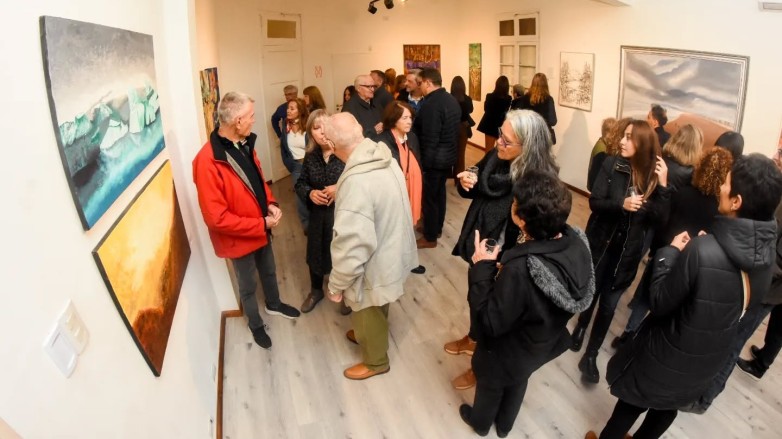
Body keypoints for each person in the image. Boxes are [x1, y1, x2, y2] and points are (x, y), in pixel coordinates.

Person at [585, 153, 782, 439]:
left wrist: (671, 253)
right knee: (666, 410)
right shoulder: (766, 260)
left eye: (726, 184)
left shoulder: (703, 250)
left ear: (736, 202)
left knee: (630, 405)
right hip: (705, 361)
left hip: (667, 352)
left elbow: (659, 302)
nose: (721, 187)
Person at [460, 170, 594, 437]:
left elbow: (489, 323)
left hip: (506, 350)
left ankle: (481, 424)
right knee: (519, 380)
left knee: (490, 384)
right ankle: (505, 427)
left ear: (521, 218)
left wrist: (482, 267)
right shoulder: (577, 242)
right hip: (539, 346)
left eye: (514, 202)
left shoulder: (522, 269)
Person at [446, 109, 560, 391]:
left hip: (509, 256)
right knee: (477, 296)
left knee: (496, 314)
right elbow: (477, 177)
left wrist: (507, 259)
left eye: (507, 141)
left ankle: (480, 367)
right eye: (500, 134)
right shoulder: (497, 156)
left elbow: (538, 231)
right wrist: (468, 180)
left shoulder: (539, 181)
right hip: (485, 242)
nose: (498, 142)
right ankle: (473, 339)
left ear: (528, 147)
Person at [192, 92, 300, 350]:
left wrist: (271, 204)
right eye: (251, 116)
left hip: (261, 228)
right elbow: (216, 219)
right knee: (248, 285)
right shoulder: (206, 161)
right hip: (240, 238)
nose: (254, 120)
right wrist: (261, 224)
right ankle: (255, 324)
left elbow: (258, 182)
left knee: (269, 270)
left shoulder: (245, 143)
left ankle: (274, 304)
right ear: (237, 121)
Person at [571, 120, 672, 384]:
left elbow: (661, 221)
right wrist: (621, 204)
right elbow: (595, 202)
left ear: (643, 143)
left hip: (627, 255)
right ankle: (581, 326)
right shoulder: (611, 163)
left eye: (629, 137)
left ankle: (591, 355)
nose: (622, 141)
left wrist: (663, 186)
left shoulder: (653, 178)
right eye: (623, 136)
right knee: (592, 292)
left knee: (609, 306)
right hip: (602, 244)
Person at [325, 113, 418, 380]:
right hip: (392, 248)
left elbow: (352, 246)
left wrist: (336, 285)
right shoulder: (383, 157)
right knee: (379, 302)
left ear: (331, 145)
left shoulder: (357, 182)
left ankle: (376, 361)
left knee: (367, 306)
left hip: (374, 261)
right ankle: (365, 333)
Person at [613, 126, 713, 349]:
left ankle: (629, 309)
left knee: (641, 270)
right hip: (674, 238)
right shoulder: (690, 177)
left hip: (651, 225)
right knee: (659, 286)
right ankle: (637, 332)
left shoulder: (660, 162)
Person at [295, 110, 346, 314]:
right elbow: (300, 183)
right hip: (318, 215)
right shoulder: (311, 156)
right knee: (315, 252)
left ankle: (346, 292)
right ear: (311, 133)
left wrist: (339, 188)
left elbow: (360, 181)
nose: (322, 132)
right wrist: (310, 193)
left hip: (342, 215)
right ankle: (316, 291)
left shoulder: (345, 153)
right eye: (316, 128)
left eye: (325, 127)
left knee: (343, 254)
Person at [374, 101, 425, 275]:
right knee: (393, 229)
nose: (409, 121)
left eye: (410, 117)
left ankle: (409, 260)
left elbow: (417, 161)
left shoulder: (412, 138)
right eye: (404, 118)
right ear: (393, 119)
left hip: (412, 189)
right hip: (394, 194)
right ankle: (392, 265)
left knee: (409, 227)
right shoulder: (382, 141)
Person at [413, 67, 461, 249]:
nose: (419, 87)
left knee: (430, 199)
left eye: (420, 83)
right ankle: (436, 228)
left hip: (434, 160)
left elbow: (430, 138)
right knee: (439, 195)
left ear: (428, 82)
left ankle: (430, 236)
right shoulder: (450, 99)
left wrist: (424, 164)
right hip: (447, 157)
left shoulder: (432, 104)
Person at [279, 98, 310, 231]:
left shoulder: (308, 126)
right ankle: (307, 226)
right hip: (296, 167)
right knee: (300, 198)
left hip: (311, 165)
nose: (288, 111)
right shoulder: (285, 127)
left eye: (292, 108)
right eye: (288, 108)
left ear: (300, 111)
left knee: (315, 195)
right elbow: (283, 148)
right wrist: (290, 164)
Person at [519, 73, 557, 145]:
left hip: (528, 135)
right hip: (543, 137)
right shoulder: (549, 99)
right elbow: (553, 121)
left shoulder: (525, 98)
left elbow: (521, 118)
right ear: (545, 84)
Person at [476, 76, 512, 150]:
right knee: (502, 150)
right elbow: (506, 111)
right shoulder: (508, 98)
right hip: (501, 125)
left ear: (496, 85)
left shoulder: (489, 96)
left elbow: (486, 109)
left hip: (490, 125)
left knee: (488, 150)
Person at [451, 75, 475, 176]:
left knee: (450, 152)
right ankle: (459, 177)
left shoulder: (449, 98)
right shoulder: (467, 99)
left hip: (451, 127)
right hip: (463, 127)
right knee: (461, 154)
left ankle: (450, 174)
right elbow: (471, 110)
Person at [587, 118, 618, 191]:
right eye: (615, 132)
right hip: (597, 187)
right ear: (609, 132)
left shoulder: (604, 143)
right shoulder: (601, 149)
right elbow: (596, 173)